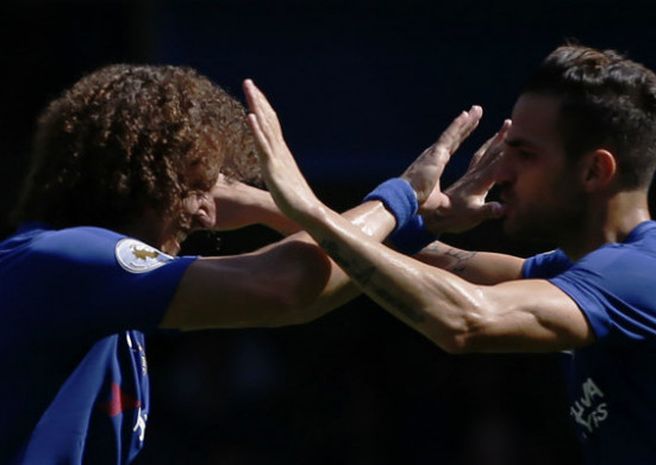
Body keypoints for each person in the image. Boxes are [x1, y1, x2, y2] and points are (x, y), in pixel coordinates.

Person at [0, 64, 490, 464]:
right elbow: (287, 286)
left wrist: (402, 222)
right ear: (137, 179)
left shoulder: (80, 273)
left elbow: (327, 262)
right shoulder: (69, 259)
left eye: (213, 187)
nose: (207, 212)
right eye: (194, 187)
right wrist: (401, 196)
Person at [245, 44, 656, 465]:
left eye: (524, 154)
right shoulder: (583, 270)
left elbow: (464, 318)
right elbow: (442, 263)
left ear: (595, 170)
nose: (499, 169)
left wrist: (305, 205)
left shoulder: (643, 276)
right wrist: (264, 205)